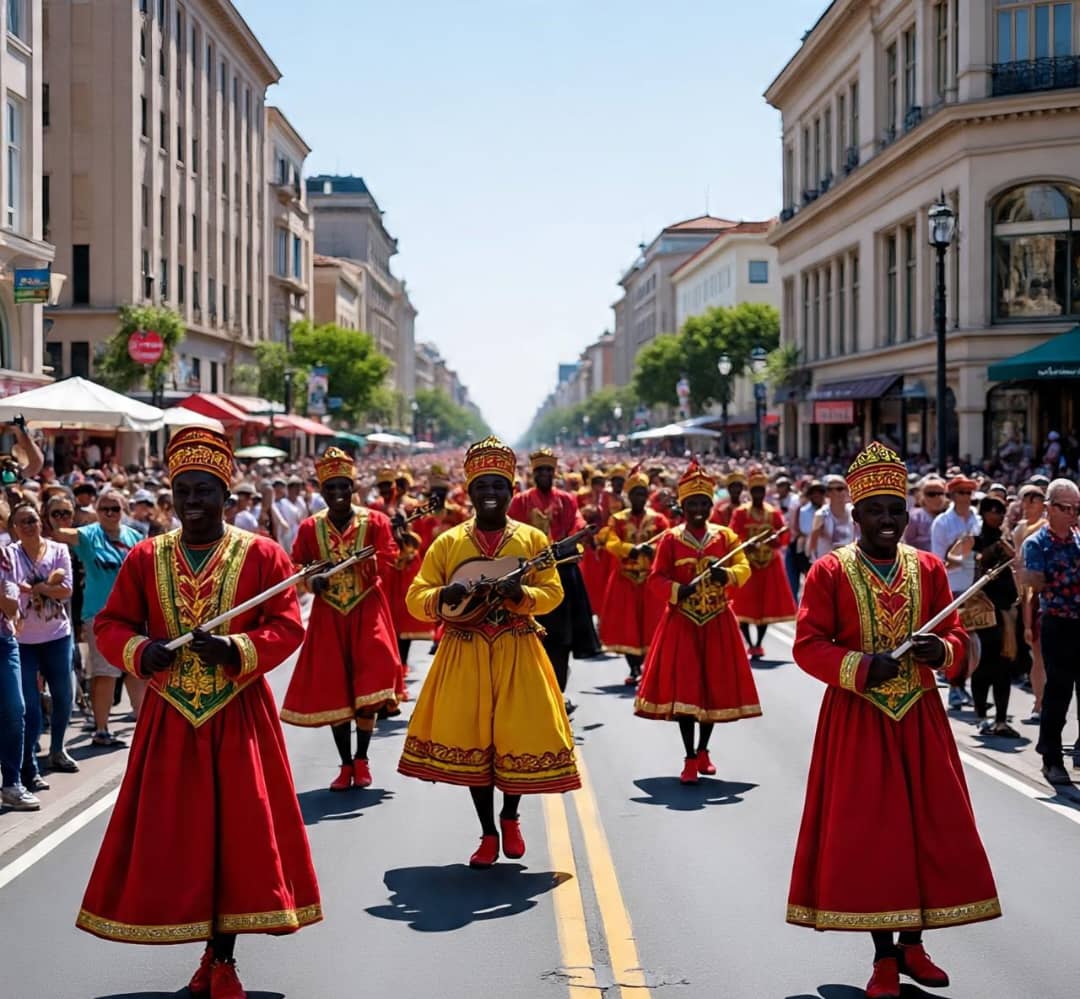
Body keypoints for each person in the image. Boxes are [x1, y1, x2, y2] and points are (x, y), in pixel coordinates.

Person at [76, 428, 320, 998]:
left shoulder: (262, 554)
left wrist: (236, 648)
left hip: (237, 716)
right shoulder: (145, 556)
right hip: (171, 721)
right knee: (181, 841)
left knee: (238, 839)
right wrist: (142, 651)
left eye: (204, 491)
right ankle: (206, 952)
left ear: (225, 496)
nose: (192, 502)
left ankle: (224, 959)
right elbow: (111, 625)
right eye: (182, 491)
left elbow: (287, 625)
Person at [788, 441, 1000, 999]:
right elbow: (808, 645)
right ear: (854, 515)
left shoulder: (927, 567)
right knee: (872, 838)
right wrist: (861, 665)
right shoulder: (829, 572)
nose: (888, 520)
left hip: (921, 718)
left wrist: (944, 652)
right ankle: (883, 956)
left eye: (896, 510)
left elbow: (954, 633)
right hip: (859, 720)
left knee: (927, 827)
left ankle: (914, 944)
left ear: (908, 515)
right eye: (876, 510)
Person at [398, 437, 579, 868]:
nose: (491, 495)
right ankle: (487, 832)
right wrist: (447, 594)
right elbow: (414, 596)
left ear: (511, 490)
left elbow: (553, 593)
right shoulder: (448, 542)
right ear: (470, 491)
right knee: (474, 741)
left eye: (498, 486)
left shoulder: (533, 540)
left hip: (518, 649)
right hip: (465, 652)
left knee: (516, 738)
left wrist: (522, 594)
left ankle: (511, 815)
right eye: (483, 487)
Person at [280, 448, 401, 792]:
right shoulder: (309, 527)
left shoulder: (374, 521)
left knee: (370, 680)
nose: (337, 495)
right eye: (330, 488)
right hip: (329, 613)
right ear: (321, 491)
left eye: (342, 487)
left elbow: (390, 557)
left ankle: (362, 758)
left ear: (353, 488)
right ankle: (345, 764)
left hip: (366, 607)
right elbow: (297, 564)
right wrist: (310, 580)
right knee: (335, 686)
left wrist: (369, 563)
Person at [634, 462, 761, 784]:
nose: (699, 509)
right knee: (686, 691)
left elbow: (744, 566)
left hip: (718, 620)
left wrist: (727, 575)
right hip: (683, 622)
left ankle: (704, 750)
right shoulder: (671, 539)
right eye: (693, 504)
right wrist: (678, 590)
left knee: (712, 690)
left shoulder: (726, 536)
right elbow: (656, 578)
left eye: (704, 503)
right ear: (684, 505)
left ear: (710, 505)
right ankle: (689, 756)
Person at [508, 448, 602, 710]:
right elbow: (511, 531)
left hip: (562, 573)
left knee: (563, 639)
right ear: (533, 473)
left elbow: (576, 523)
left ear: (554, 472)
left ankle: (558, 694)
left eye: (549, 470)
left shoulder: (567, 499)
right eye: (540, 471)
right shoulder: (520, 501)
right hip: (529, 576)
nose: (545, 474)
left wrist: (577, 535)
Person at [52, 491, 143, 748]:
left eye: (115, 508)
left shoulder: (134, 537)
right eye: (105, 509)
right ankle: (101, 730)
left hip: (134, 614)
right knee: (105, 673)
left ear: (124, 509)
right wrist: (60, 512)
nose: (110, 513)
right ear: (97, 511)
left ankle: (145, 725)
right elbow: (61, 534)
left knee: (137, 671)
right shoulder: (90, 534)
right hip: (100, 616)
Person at [9, 501, 77, 792]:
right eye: (22, 521)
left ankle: (58, 749)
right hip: (23, 641)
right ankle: (30, 768)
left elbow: (66, 589)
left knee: (64, 697)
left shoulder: (58, 550)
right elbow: (10, 588)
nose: (29, 525)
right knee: (30, 706)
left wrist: (36, 588)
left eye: (33, 519)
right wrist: (45, 588)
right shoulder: (9, 555)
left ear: (41, 522)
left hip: (57, 635)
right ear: (14, 528)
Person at [1021, 478, 1080, 787]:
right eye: (1065, 508)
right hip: (1058, 623)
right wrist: (1029, 626)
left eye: (1076, 509)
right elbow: (1033, 588)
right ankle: (1051, 758)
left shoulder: (1079, 539)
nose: (1072, 514)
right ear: (1050, 508)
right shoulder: (1036, 543)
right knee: (1058, 692)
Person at [599, 467, 670, 686]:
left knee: (652, 624)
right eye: (635, 494)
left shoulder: (658, 519)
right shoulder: (617, 519)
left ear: (647, 495)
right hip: (625, 579)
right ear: (629, 497)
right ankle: (633, 667)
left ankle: (649, 665)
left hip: (651, 580)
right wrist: (630, 549)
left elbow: (668, 541)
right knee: (628, 625)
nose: (639, 497)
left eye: (642, 493)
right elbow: (609, 541)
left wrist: (654, 549)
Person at [729, 469, 796, 659]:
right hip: (747, 565)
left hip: (768, 565)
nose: (758, 494)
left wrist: (776, 542)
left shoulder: (773, 513)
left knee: (764, 606)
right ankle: (749, 643)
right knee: (743, 604)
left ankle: (758, 643)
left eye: (761, 490)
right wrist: (744, 546)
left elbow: (783, 536)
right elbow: (732, 536)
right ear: (750, 492)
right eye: (755, 490)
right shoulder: (740, 513)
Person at [969, 495, 1020, 737]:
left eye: (1000, 510)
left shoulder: (1005, 539)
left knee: (1003, 667)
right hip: (984, 612)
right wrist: (994, 550)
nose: (997, 514)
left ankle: (1001, 719)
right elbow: (976, 567)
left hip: (1006, 612)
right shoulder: (976, 540)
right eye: (992, 510)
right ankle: (980, 716)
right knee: (984, 666)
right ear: (984, 513)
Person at [931, 475, 981, 711]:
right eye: (961, 492)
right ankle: (954, 688)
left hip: (977, 588)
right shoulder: (942, 523)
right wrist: (958, 556)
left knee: (975, 644)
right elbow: (938, 560)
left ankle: (964, 686)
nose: (965, 497)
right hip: (952, 588)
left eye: (969, 493)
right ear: (952, 495)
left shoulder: (978, 521)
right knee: (957, 641)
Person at [0, 544, 38, 810]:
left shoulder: (6, 555)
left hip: (3, 640)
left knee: (15, 709)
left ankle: (12, 784)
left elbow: (11, 607)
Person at [807, 474, 856, 562]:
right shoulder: (821, 515)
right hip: (827, 565)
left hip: (849, 564)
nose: (835, 492)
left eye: (840, 488)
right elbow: (812, 546)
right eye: (829, 489)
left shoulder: (853, 511)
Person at [903, 475, 947, 552]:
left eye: (940, 493)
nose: (937, 498)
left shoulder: (950, 516)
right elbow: (908, 543)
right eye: (931, 494)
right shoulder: (915, 517)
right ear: (922, 496)